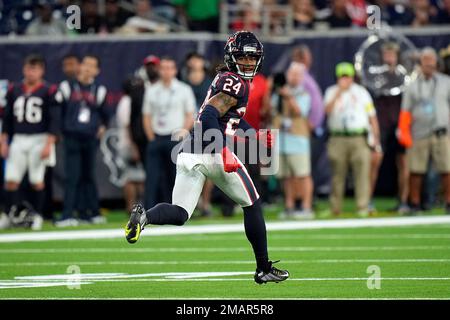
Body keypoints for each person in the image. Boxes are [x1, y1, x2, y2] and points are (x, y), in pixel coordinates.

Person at [125, 31, 290, 284]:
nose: (248, 62)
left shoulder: (225, 79)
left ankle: (144, 216)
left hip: (190, 152)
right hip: (213, 151)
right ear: (232, 57)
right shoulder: (235, 83)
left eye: (252, 57)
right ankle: (263, 268)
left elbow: (231, 117)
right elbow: (209, 116)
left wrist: (253, 135)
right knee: (253, 204)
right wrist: (223, 151)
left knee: (180, 213)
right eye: (243, 57)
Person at [0, 54, 60, 230]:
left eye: (35, 68)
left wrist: (49, 143)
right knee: (11, 180)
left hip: (39, 138)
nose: (31, 72)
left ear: (42, 70)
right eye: (28, 68)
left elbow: (54, 120)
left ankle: (37, 216)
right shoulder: (14, 89)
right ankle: (8, 214)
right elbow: (8, 117)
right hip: (18, 139)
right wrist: (4, 141)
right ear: (23, 68)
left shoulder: (48, 91)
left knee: (36, 180)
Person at [55, 55, 109, 226]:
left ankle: (91, 213)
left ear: (97, 70)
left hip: (90, 137)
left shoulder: (99, 90)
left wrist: (103, 127)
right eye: (85, 64)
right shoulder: (66, 87)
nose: (87, 68)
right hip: (72, 137)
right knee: (72, 176)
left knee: (89, 176)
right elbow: (58, 111)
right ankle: (68, 214)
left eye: (91, 65)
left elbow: (106, 114)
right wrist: (60, 131)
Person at [397, 47, 450, 215]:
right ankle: (415, 203)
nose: (428, 64)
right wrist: (404, 132)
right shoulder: (412, 86)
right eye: (425, 60)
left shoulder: (446, 82)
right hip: (418, 133)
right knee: (416, 170)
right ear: (420, 63)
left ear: (436, 63)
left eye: (431, 60)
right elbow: (405, 111)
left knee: (447, 169)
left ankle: (449, 202)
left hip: (441, 132)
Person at [325, 62, 381, 216]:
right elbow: (327, 111)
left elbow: (372, 117)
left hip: (358, 137)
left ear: (352, 77)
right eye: (342, 76)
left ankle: (363, 206)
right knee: (337, 175)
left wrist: (376, 139)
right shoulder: (331, 91)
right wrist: (338, 93)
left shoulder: (361, 92)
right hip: (338, 137)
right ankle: (335, 208)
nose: (345, 79)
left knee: (362, 173)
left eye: (347, 76)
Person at [142, 56, 195, 209]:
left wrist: (182, 134)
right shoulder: (152, 90)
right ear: (159, 70)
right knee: (152, 177)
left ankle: (178, 209)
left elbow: (190, 114)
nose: (166, 71)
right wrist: (151, 137)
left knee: (177, 177)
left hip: (175, 137)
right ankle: (148, 212)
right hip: (157, 136)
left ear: (174, 70)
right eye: (163, 68)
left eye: (169, 68)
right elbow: (146, 116)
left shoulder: (184, 89)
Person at [370, 42, 409, 214]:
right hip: (382, 125)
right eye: (386, 54)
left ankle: (404, 201)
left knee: (404, 163)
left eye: (392, 54)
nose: (389, 58)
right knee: (375, 161)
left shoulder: (405, 76)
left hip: (400, 125)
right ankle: (367, 201)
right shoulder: (374, 77)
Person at [272, 63, 314, 219]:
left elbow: (298, 111)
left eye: (298, 74)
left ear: (302, 77)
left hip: (298, 141)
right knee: (287, 176)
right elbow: (272, 112)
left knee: (303, 174)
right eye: (292, 74)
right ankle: (289, 206)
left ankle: (306, 206)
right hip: (282, 141)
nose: (294, 77)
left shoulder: (304, 94)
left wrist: (288, 96)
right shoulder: (278, 94)